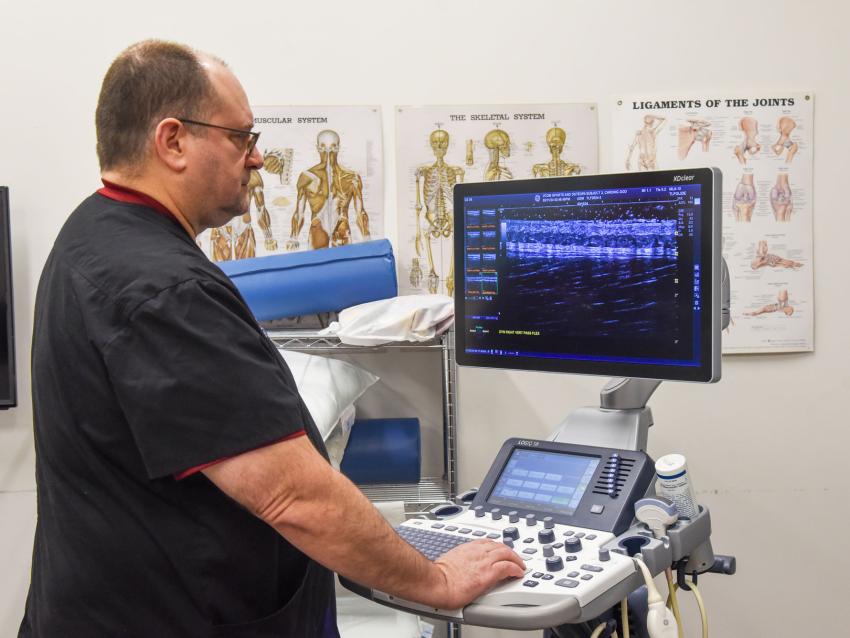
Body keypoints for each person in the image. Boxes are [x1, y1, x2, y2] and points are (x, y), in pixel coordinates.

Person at [20, 40, 524, 637]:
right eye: (241, 138)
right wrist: (435, 580)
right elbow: (293, 497)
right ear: (173, 141)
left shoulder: (92, 233)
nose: (256, 159)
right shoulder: (164, 290)